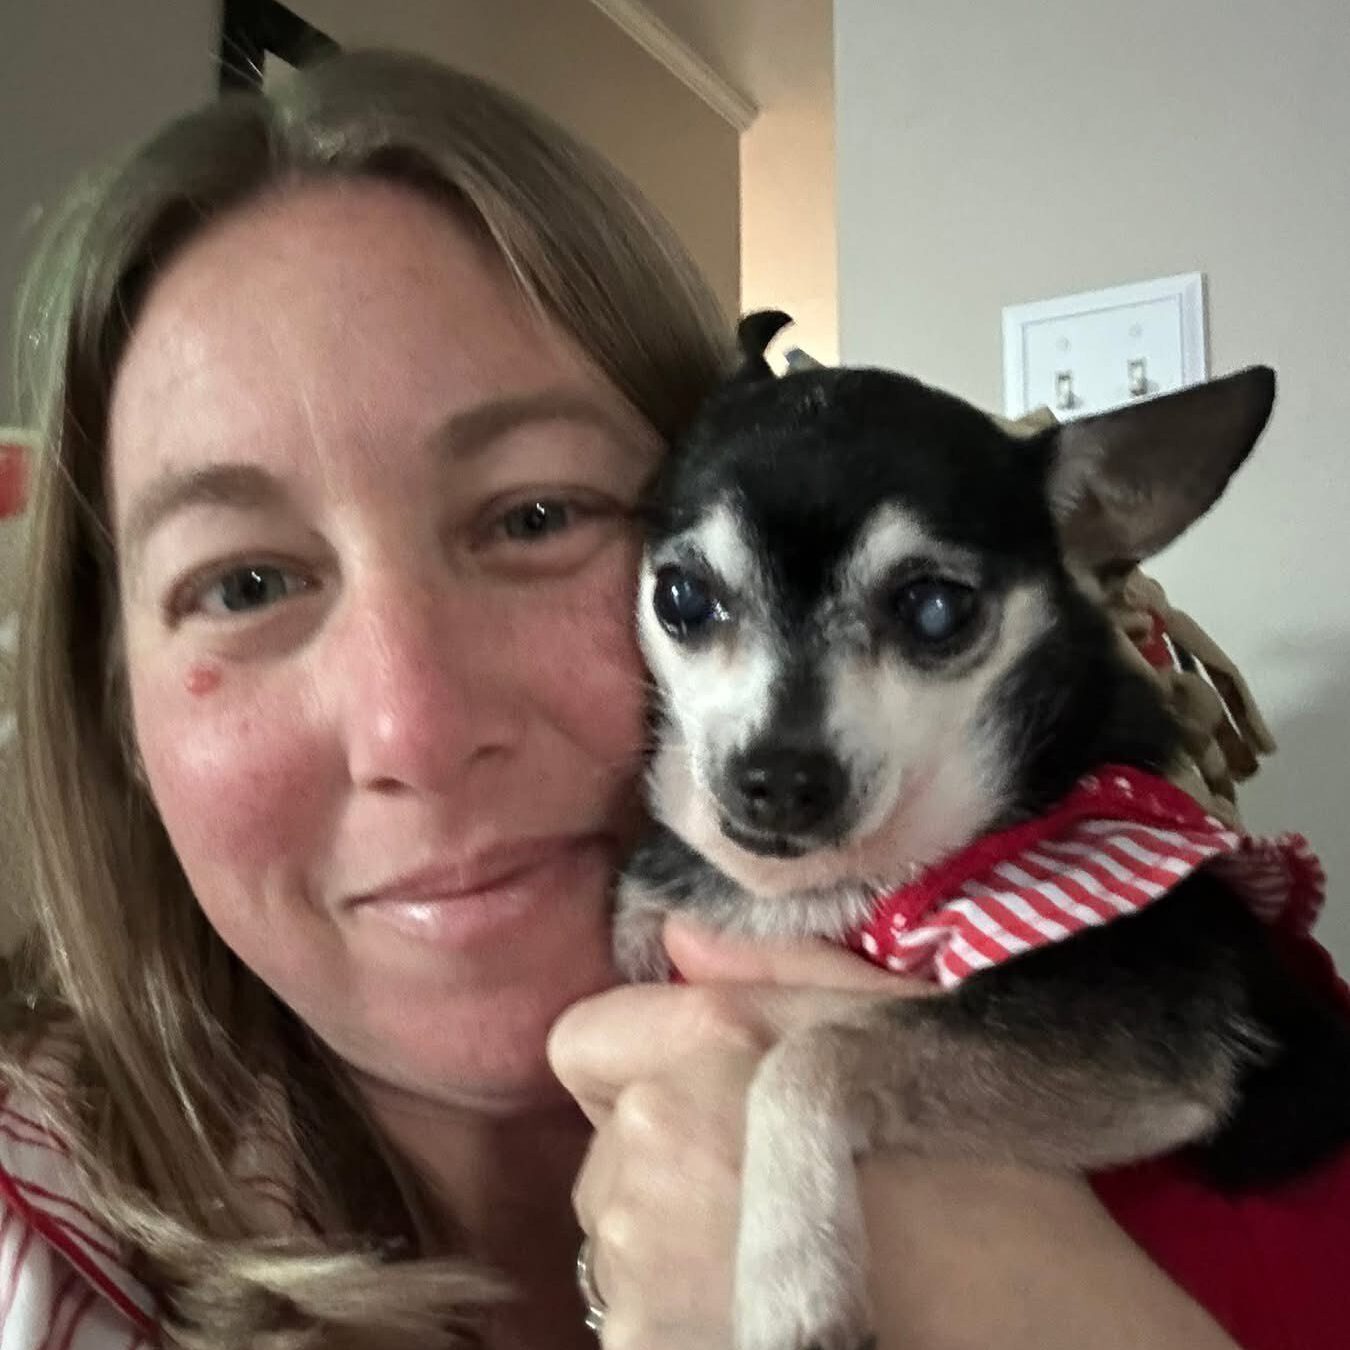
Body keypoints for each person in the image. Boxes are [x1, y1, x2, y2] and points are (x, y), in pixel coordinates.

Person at [0, 47, 1341, 1350]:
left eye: (534, 514)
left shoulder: (1158, 922)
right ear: (105, 701)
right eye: (241, 583)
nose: (410, 723)